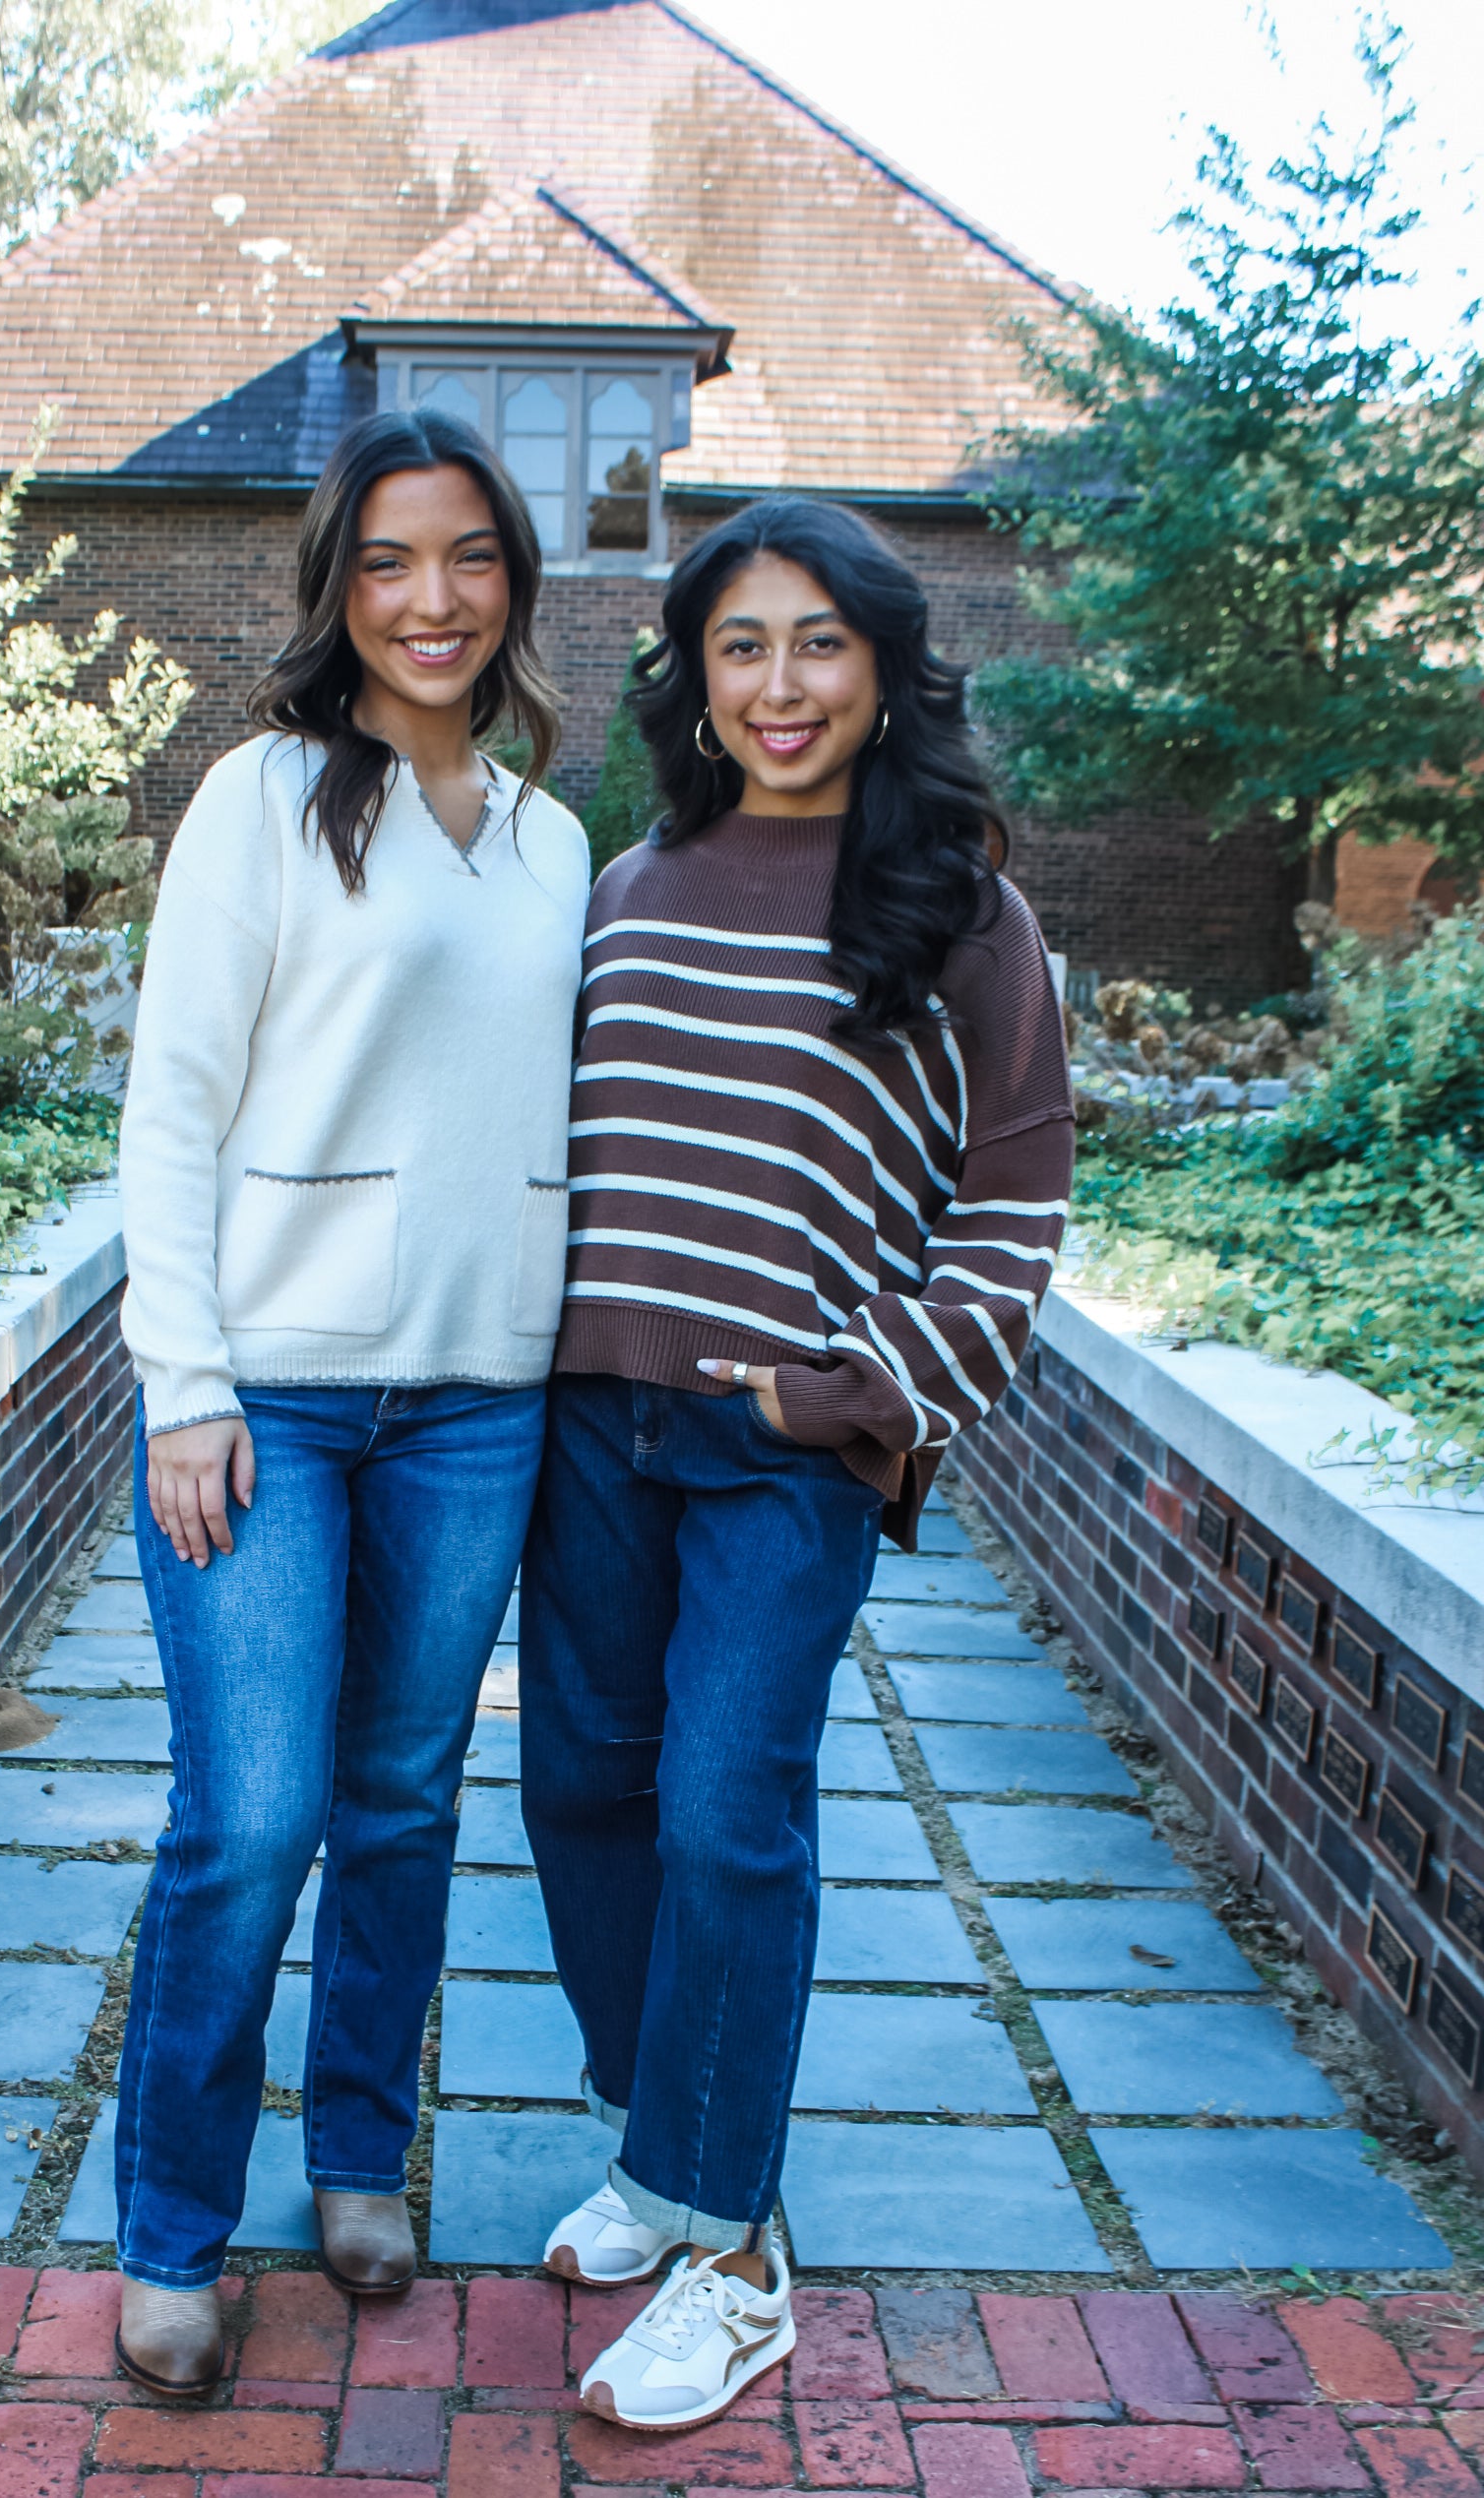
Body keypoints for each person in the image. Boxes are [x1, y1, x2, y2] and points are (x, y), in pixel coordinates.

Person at [520, 497, 1074, 2430]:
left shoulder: (961, 909)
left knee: (721, 1811)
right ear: (693, 672)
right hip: (594, 1421)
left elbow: (1013, 1204)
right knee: (579, 1790)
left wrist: (858, 1390)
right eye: (740, 644)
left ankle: (736, 2260)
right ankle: (662, 2151)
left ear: (884, 669)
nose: (779, 684)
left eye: (818, 642)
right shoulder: (629, 883)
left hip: (784, 1448)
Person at [111, 407, 589, 2395]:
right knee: (252, 1818)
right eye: (389, 559)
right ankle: (170, 2229)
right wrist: (184, 1378)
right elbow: (172, 1105)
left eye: (468, 554)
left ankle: (360, 2156)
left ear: (512, 580)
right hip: (270, 1402)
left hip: (481, 1401)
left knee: (403, 1797)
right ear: (340, 585)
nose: (430, 597)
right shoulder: (266, 796)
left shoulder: (554, 839)